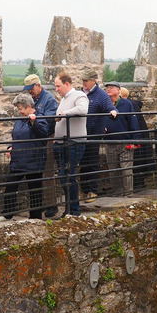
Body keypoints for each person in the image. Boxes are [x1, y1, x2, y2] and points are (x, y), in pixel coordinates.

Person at [1, 93, 50, 221]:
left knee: (34, 190)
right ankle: (8, 214)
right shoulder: (19, 120)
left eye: (21, 109)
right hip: (18, 159)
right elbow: (16, 136)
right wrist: (11, 147)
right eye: (18, 109)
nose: (19, 111)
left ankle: (35, 217)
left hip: (34, 160)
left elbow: (44, 134)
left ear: (29, 106)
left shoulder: (40, 117)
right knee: (10, 187)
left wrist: (34, 123)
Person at [23, 73, 60, 218]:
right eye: (28, 89)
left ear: (38, 85)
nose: (29, 91)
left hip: (47, 138)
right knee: (37, 171)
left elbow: (49, 120)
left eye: (31, 88)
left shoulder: (49, 99)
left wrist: (35, 117)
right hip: (36, 138)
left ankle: (51, 205)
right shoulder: (33, 98)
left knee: (47, 172)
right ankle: (41, 204)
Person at [53, 72, 89, 216]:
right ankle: (70, 209)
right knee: (64, 177)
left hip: (74, 143)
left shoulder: (79, 96)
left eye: (58, 86)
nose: (56, 89)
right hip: (62, 143)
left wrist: (64, 114)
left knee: (67, 176)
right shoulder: (64, 98)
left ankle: (73, 211)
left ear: (67, 84)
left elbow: (82, 110)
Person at [79, 69, 116, 203]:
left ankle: (92, 191)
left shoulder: (101, 94)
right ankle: (83, 190)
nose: (83, 83)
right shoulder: (80, 93)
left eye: (86, 81)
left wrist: (113, 111)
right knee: (83, 162)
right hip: (81, 133)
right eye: (82, 80)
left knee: (92, 162)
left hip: (94, 133)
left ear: (93, 81)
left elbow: (109, 107)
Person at [104, 82, 140, 194]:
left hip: (125, 142)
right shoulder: (104, 104)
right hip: (110, 142)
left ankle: (128, 194)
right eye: (107, 88)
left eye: (111, 88)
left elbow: (133, 121)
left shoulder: (126, 104)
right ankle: (117, 193)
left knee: (126, 170)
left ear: (118, 90)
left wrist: (135, 141)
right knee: (113, 170)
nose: (108, 89)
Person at [121, 87, 154, 190]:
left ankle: (137, 186)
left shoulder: (130, 105)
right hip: (139, 137)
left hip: (137, 138)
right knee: (136, 162)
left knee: (137, 162)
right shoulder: (131, 104)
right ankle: (137, 185)